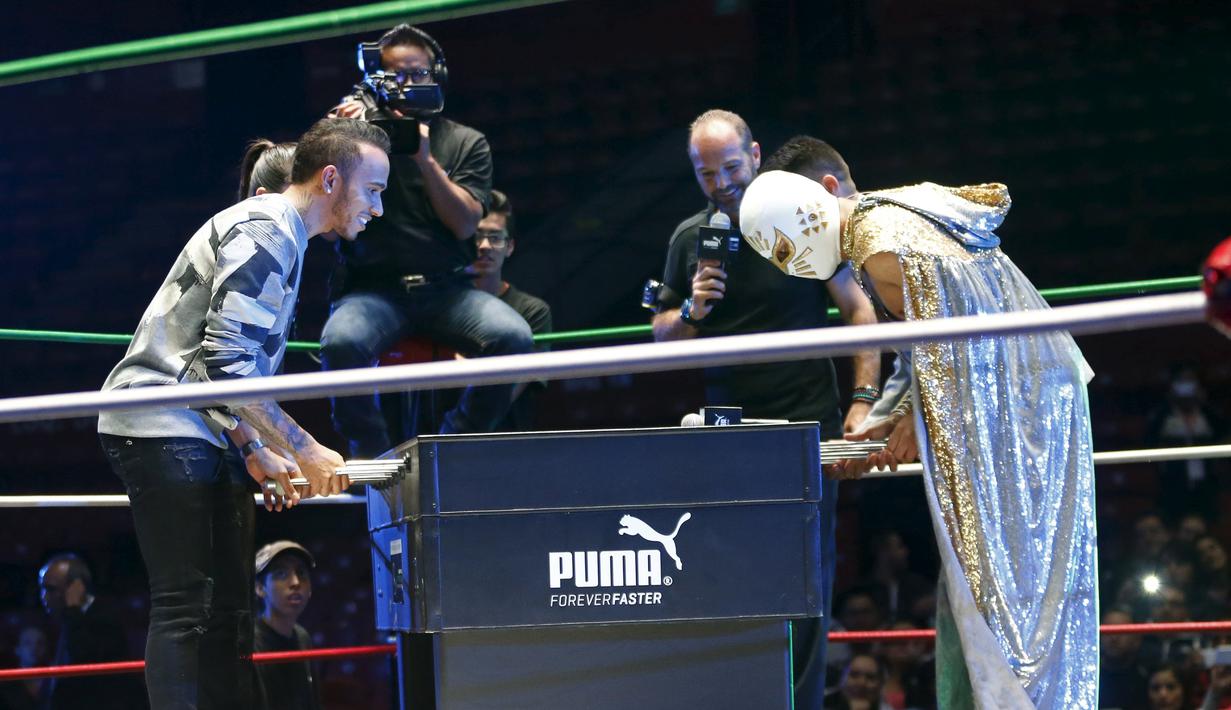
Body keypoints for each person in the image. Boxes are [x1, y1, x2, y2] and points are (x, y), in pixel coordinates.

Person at [739, 170, 1099, 707]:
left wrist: (916, 420)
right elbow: (938, 345)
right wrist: (894, 419)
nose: (787, 264)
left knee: (1008, 587)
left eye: (781, 250)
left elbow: (959, 349)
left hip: (1021, 412)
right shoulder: (878, 221)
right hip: (1025, 396)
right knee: (992, 582)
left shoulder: (879, 251)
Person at [97, 117, 391, 709]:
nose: (378, 209)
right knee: (187, 604)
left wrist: (255, 447)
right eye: (375, 190)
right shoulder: (265, 226)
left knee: (231, 609)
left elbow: (219, 371)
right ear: (332, 179)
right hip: (159, 423)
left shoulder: (285, 235)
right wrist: (304, 447)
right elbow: (229, 366)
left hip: (203, 425)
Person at [652, 119, 880, 710]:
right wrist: (694, 312)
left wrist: (862, 399)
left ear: (754, 155)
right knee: (729, 579)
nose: (722, 183)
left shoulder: (800, 216)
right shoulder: (689, 238)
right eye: (707, 174)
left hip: (808, 424)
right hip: (726, 431)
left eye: (731, 166)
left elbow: (858, 309)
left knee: (807, 586)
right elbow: (661, 337)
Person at [322, 23, 533, 454]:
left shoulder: (464, 141)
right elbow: (328, 226)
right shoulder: (357, 140)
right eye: (395, 76)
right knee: (340, 342)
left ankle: (451, 447)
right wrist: (339, 145)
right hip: (372, 290)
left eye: (417, 74)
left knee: (515, 338)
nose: (407, 85)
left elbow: (464, 225)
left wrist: (423, 158)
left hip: (448, 291)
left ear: (437, 76)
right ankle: (375, 463)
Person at [425, 189, 553, 432]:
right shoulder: (437, 305)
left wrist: (469, 371)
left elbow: (507, 392)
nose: (484, 246)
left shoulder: (532, 312)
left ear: (510, 247)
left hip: (507, 443)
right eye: (477, 236)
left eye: (495, 237)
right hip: (439, 443)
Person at [37, 553, 146, 710]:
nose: (44, 597)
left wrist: (73, 609)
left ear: (75, 588)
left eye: (51, 589)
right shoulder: (67, 619)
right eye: (42, 588)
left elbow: (81, 655)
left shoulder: (105, 615)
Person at [253, 541, 322, 710]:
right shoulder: (249, 641)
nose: (295, 582)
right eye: (281, 573)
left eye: (301, 573)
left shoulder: (303, 637)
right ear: (260, 588)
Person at [1100, 607, 1149, 710]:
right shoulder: (1089, 676)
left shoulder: (1146, 679)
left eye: (1121, 630)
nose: (1114, 638)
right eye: (1108, 630)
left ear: (1136, 638)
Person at [0, 626, 49, 710]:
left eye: (40, 643)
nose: (34, 648)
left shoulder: (56, 681)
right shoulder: (5, 684)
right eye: (27, 643)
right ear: (17, 650)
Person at [827, 653, 893, 710]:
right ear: (842, 679)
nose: (861, 683)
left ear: (880, 685)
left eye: (870, 677)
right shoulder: (821, 703)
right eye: (854, 675)